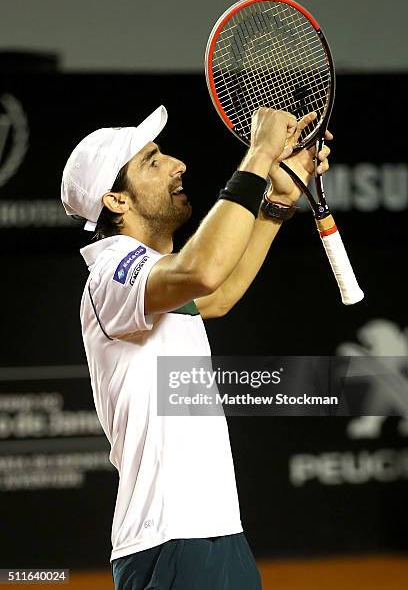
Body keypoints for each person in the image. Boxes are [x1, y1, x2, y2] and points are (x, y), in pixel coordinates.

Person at [61, 105, 331, 589]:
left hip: (213, 532)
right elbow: (202, 270)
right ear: (116, 201)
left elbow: (217, 294)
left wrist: (277, 200)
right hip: (171, 541)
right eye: (152, 160)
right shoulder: (112, 273)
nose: (176, 163)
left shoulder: (151, 276)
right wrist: (261, 152)